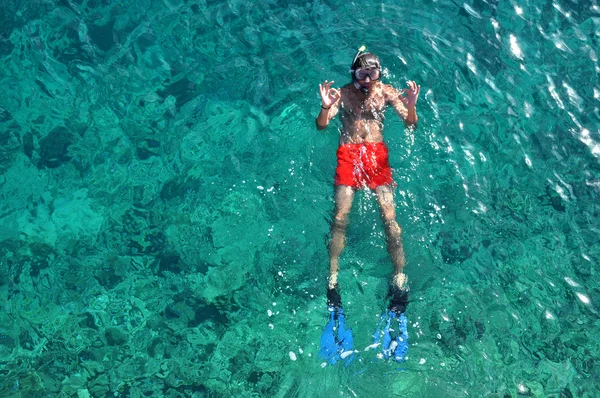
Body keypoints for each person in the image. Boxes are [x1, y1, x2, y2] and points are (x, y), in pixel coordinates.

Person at [317, 47, 420, 363]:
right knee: (340, 218)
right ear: (353, 73)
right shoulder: (342, 95)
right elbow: (322, 125)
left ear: (380, 73)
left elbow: (409, 122)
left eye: (372, 73)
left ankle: (399, 274)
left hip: (377, 157)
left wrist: (412, 107)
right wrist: (325, 108)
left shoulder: (386, 92)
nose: (367, 79)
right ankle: (333, 276)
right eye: (362, 73)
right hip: (349, 155)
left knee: (390, 218)